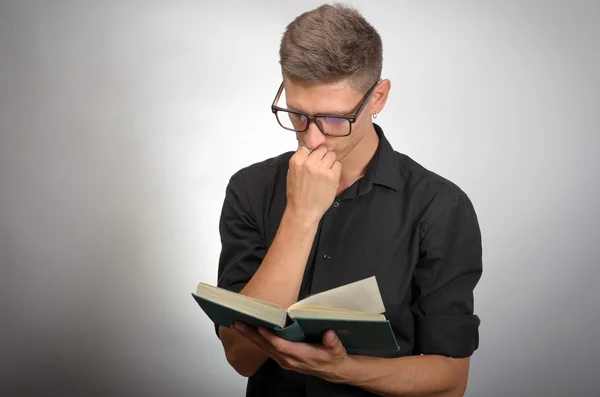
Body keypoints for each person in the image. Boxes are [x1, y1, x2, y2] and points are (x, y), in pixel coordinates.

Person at [214, 4, 482, 397]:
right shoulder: (249, 188)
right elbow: (241, 358)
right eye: (296, 114)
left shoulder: (439, 206)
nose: (311, 139)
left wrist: (345, 369)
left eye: (336, 120)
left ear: (378, 98)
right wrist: (301, 217)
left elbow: (451, 381)